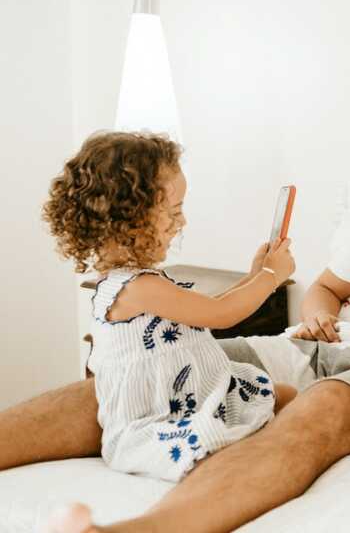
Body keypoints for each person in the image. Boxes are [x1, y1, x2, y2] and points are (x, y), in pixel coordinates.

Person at [2, 73, 350, 533]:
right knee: (162, 367)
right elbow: (327, 288)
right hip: (318, 346)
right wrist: (318, 315)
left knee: (316, 414)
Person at [41, 132, 297, 528]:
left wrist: (253, 275)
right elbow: (222, 315)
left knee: (283, 395)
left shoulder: (139, 281)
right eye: (174, 212)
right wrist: (269, 277)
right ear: (130, 217)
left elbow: (207, 309)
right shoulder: (139, 288)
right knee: (221, 444)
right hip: (159, 416)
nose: (183, 222)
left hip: (196, 392)